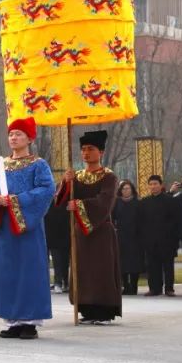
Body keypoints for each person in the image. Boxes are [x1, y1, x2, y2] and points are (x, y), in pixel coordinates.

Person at [0, 117, 55, 340]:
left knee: (29, 271)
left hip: (27, 228)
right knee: (8, 273)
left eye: (19, 134)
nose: (13, 138)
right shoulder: (0, 166)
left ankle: (30, 322)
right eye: (11, 134)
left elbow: (47, 190)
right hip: (5, 230)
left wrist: (15, 200)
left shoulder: (38, 165)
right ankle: (12, 320)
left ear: (30, 138)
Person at [54, 130, 121, 323]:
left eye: (90, 149)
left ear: (101, 152)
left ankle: (104, 311)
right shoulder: (77, 176)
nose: (85, 153)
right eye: (83, 149)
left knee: (101, 270)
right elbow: (60, 200)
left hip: (101, 231)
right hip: (80, 233)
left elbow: (105, 202)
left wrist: (80, 206)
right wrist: (66, 182)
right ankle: (85, 308)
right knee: (82, 270)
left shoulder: (109, 177)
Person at [136, 175, 180, 297]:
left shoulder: (170, 201)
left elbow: (175, 221)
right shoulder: (144, 202)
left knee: (168, 266)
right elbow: (141, 222)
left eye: (155, 184)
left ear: (161, 185)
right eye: (151, 184)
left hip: (167, 240)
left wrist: (172, 237)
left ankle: (169, 289)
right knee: (152, 266)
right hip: (150, 241)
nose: (153, 186)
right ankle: (154, 288)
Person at [113, 180, 142, 295]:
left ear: (132, 190)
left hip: (135, 237)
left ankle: (134, 286)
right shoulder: (117, 202)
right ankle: (125, 285)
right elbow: (113, 217)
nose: (126, 191)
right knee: (122, 263)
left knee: (134, 263)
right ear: (120, 190)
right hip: (121, 236)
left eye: (128, 188)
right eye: (124, 189)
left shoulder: (138, 202)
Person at [44, 202, 71, 294]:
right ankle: (50, 282)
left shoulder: (63, 195)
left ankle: (61, 282)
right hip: (48, 230)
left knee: (61, 259)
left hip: (61, 230)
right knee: (47, 259)